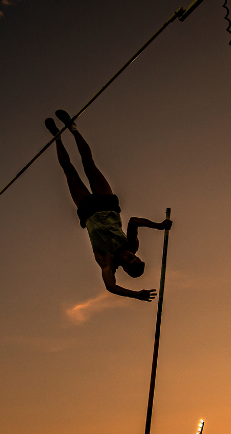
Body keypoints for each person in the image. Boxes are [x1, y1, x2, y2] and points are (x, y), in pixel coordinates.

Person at [47, 109, 172, 301]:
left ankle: (57, 137)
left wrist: (136, 294)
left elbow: (111, 286)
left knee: (69, 171)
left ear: (126, 267)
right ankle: (73, 128)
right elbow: (133, 221)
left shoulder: (107, 261)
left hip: (88, 210)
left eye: (130, 259)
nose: (131, 255)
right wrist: (159, 226)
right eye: (135, 256)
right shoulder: (131, 244)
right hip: (107, 204)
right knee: (89, 163)